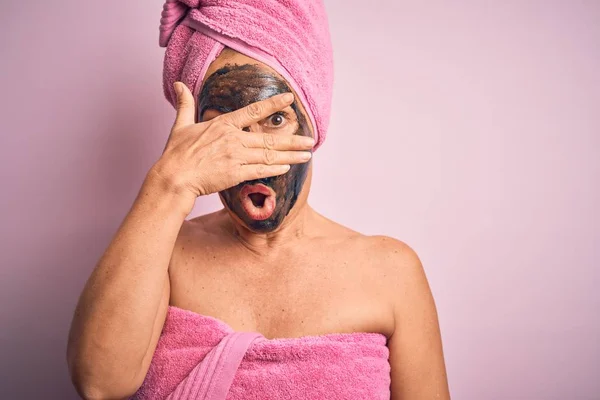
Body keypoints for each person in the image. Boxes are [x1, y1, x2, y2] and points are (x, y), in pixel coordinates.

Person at [67, 1, 450, 399]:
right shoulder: (159, 255)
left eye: (276, 119)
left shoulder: (391, 271)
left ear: (313, 124)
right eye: (221, 123)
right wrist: (168, 183)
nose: (250, 154)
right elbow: (99, 384)